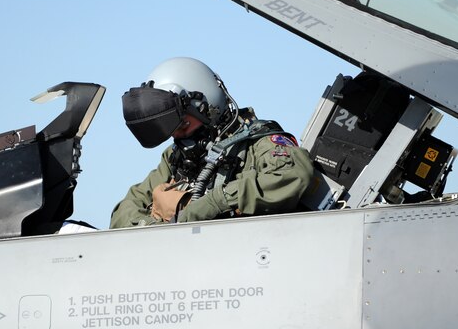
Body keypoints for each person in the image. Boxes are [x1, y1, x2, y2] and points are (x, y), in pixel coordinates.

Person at [110, 57, 314, 228]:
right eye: (171, 128)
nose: (177, 136)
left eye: (183, 125)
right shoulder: (175, 157)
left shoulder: (257, 143)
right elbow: (125, 210)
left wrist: (216, 201)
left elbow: (294, 173)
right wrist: (155, 229)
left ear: (208, 109)